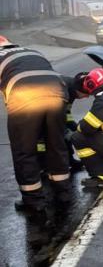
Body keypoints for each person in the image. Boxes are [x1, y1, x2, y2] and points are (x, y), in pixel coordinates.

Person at [0, 36, 72, 213]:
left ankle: (33, 201)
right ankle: (63, 192)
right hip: (57, 92)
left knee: (25, 150)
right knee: (56, 144)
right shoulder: (31, 50)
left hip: (25, 97)